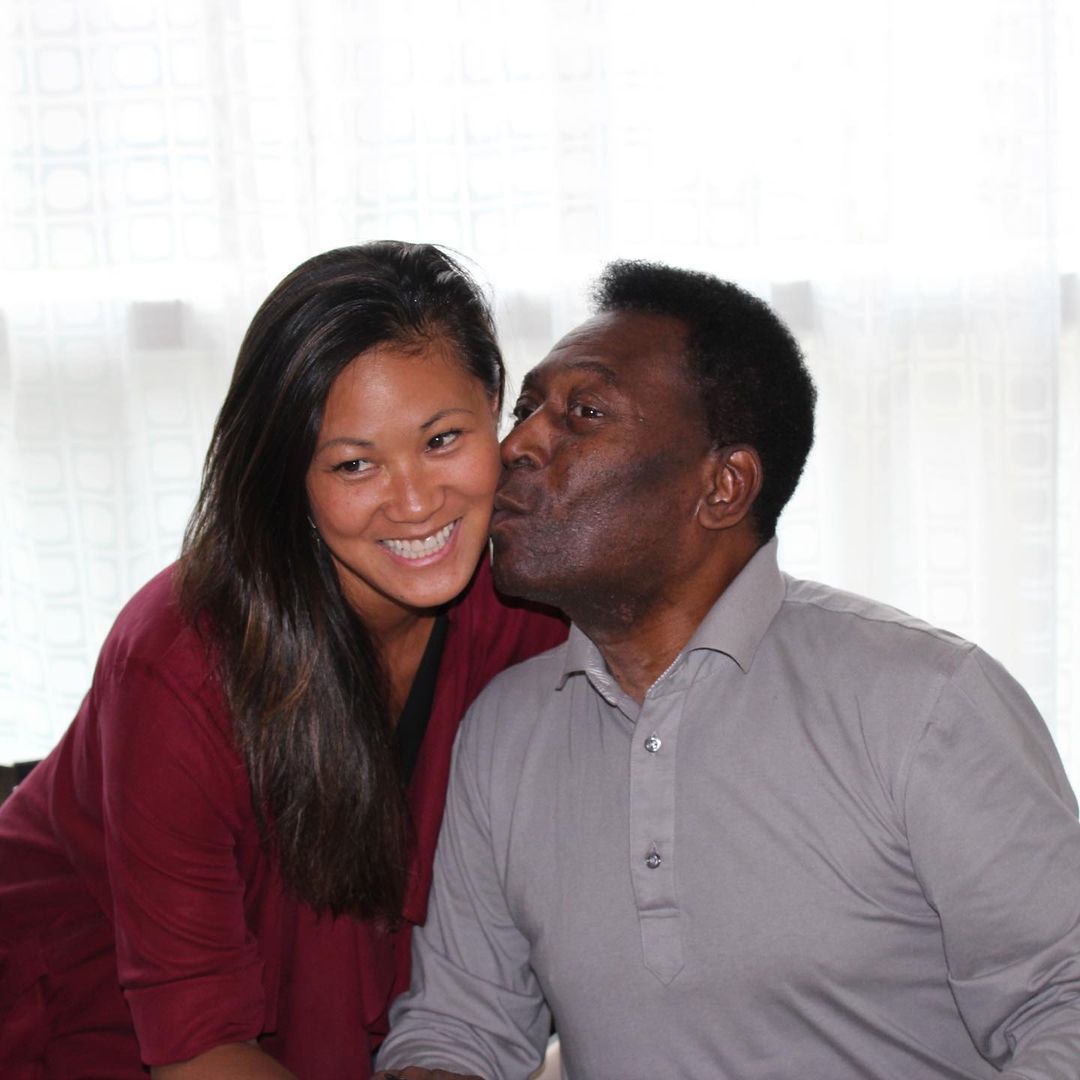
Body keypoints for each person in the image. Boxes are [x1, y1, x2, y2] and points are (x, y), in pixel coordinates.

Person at [374, 260, 1080, 1080]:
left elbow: (1061, 1003)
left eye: (584, 414)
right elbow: (460, 1030)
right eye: (525, 409)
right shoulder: (505, 728)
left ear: (723, 486)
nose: (515, 446)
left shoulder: (925, 701)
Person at [0, 241, 567, 1079]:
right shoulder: (183, 660)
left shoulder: (527, 604)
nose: (417, 502)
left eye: (443, 439)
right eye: (354, 464)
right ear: (286, 476)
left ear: (495, 415)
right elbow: (197, 1049)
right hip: (77, 1016)